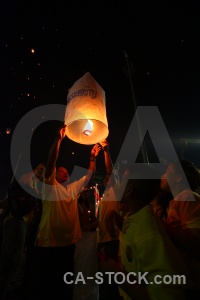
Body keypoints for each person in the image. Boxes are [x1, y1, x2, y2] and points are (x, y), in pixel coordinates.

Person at [25, 125, 101, 300]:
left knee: (65, 284)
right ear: (54, 175)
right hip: (48, 244)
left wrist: (92, 158)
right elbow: (51, 163)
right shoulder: (50, 187)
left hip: (68, 245)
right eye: (61, 171)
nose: (64, 172)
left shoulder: (72, 190)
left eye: (67, 171)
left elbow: (89, 175)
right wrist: (58, 141)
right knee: (46, 285)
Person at [99, 163, 189, 300]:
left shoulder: (149, 234)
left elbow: (164, 295)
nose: (117, 183)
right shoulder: (135, 220)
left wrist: (115, 273)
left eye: (122, 179)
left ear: (129, 190)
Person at [159, 159, 200, 298]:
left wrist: (159, 226)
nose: (162, 176)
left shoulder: (188, 197)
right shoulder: (175, 201)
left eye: (166, 172)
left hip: (193, 281)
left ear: (178, 177)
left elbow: (195, 243)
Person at [96, 139, 122, 300]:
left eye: (110, 175)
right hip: (103, 240)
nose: (107, 177)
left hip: (112, 240)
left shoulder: (116, 190)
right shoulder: (105, 195)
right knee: (104, 278)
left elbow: (110, 171)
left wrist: (106, 151)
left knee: (112, 280)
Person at [73, 188, 99, 300]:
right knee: (79, 263)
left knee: (88, 264)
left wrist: (90, 225)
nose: (86, 193)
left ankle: (87, 292)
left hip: (88, 238)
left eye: (87, 192)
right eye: (84, 191)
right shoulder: (75, 204)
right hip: (79, 238)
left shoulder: (89, 205)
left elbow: (94, 220)